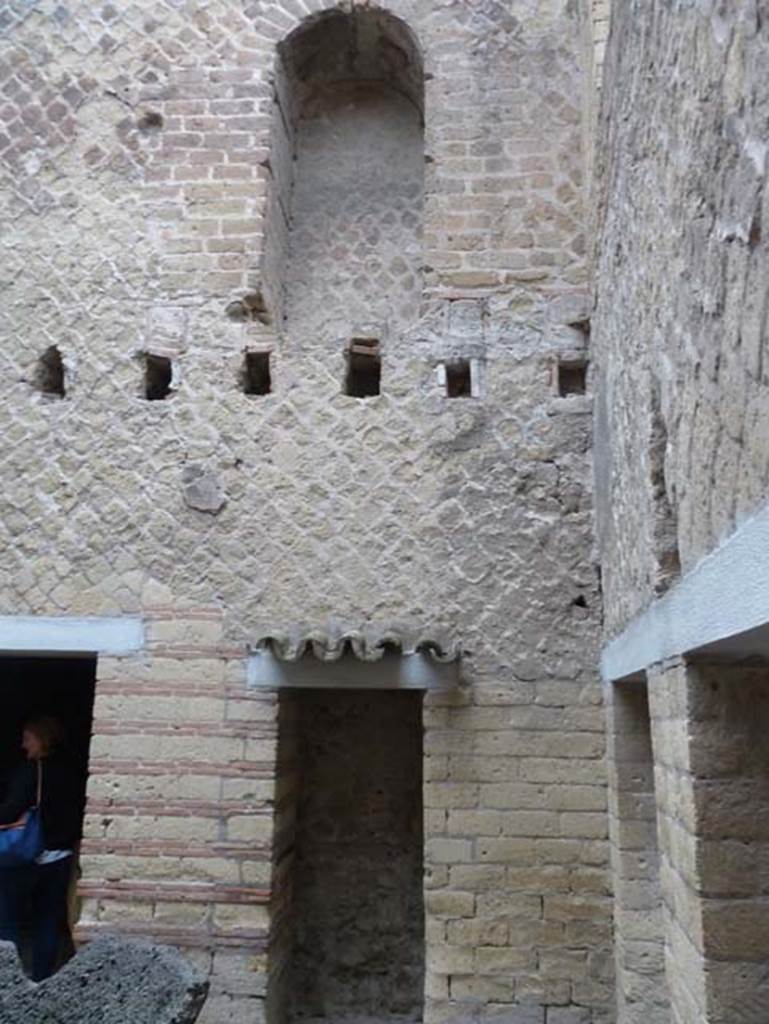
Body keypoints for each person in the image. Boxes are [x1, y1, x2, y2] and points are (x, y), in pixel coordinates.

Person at [0, 716, 83, 980]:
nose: (24, 746)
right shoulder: (74, 773)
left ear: (42, 740)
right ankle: (41, 980)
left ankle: (9, 981)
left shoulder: (30, 772)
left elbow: (10, 811)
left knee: (8, 919)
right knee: (47, 922)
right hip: (60, 857)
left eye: (28, 739)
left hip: (24, 857)